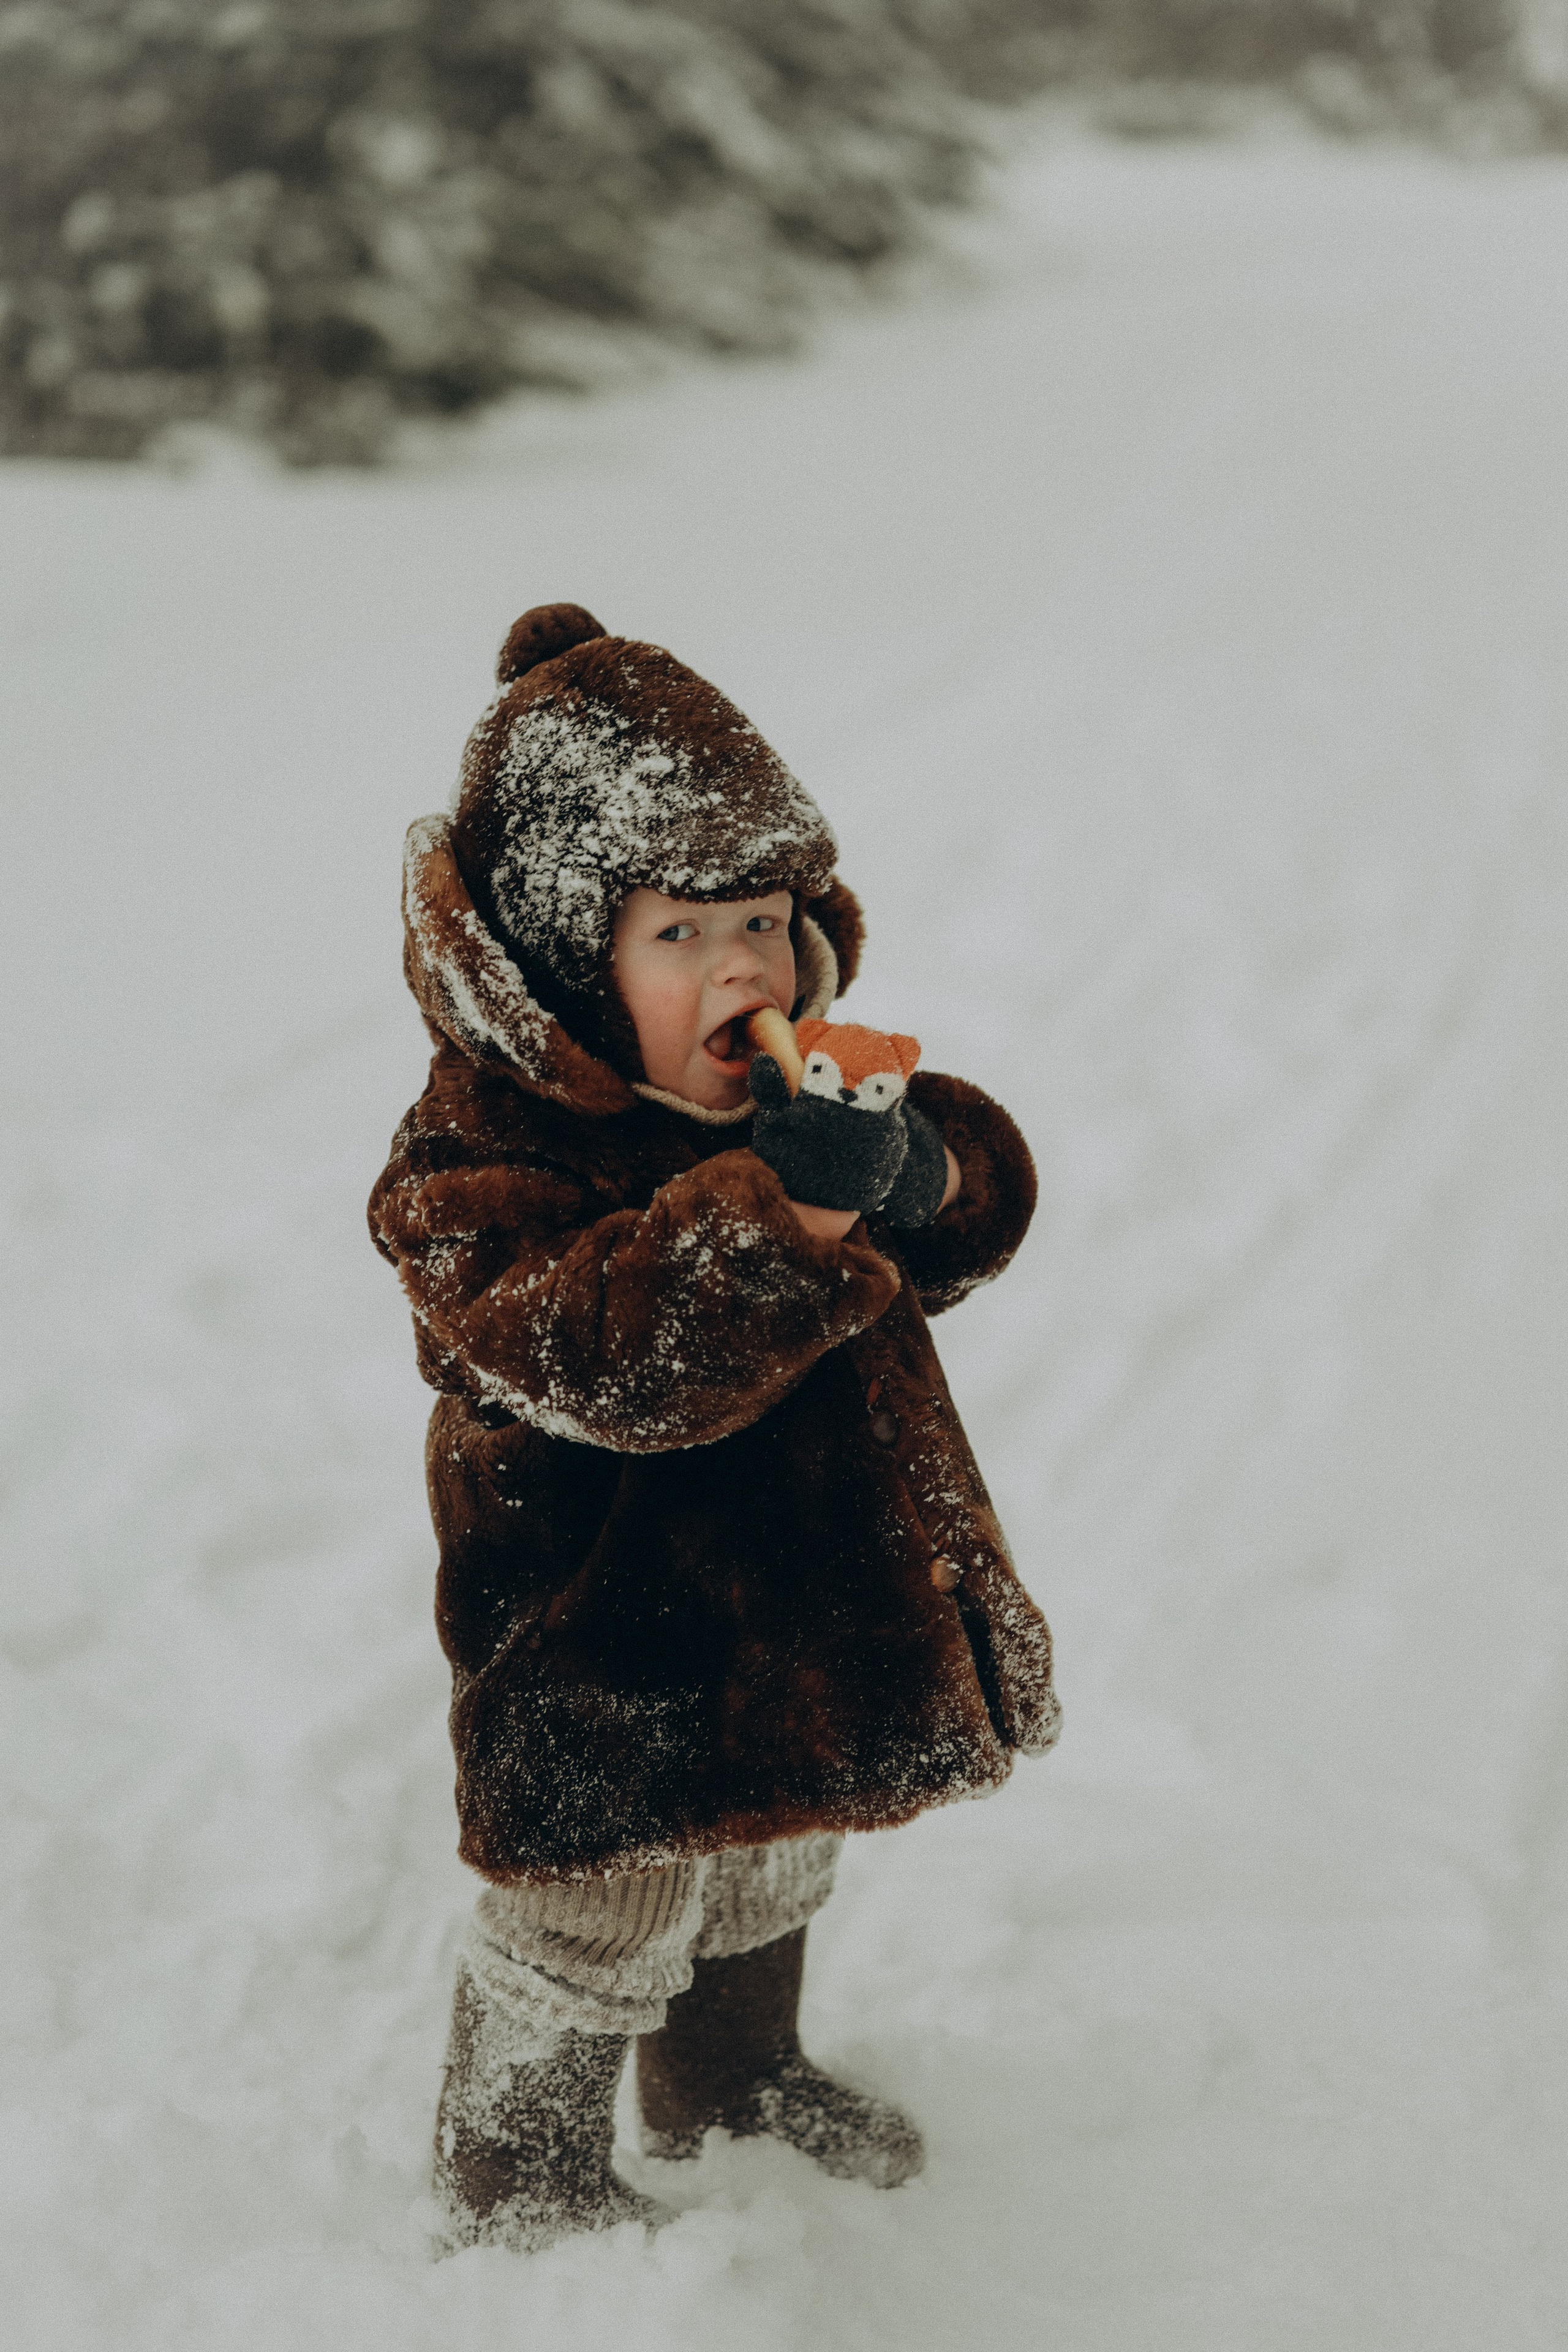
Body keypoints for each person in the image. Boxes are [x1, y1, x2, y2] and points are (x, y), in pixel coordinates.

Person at [368, 603, 1061, 2253]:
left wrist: (922, 1177)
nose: (742, 968)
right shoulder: (479, 1166)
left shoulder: (808, 1088)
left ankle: (736, 2080)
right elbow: (600, 1358)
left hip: (815, 1594)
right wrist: (777, 1224)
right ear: (561, 955)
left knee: (773, 1862)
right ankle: (518, 2183)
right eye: (681, 935)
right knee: (598, 1908)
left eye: (764, 918)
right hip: (609, 1630)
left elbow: (975, 1199)